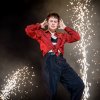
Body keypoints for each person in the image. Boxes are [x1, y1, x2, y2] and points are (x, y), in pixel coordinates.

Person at [25, 12, 84, 100]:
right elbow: (28, 30)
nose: (53, 23)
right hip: (50, 60)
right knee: (50, 92)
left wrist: (65, 27)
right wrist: (40, 25)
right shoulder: (41, 34)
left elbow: (76, 37)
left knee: (78, 85)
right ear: (47, 23)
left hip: (61, 61)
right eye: (51, 21)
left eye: (55, 22)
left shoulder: (62, 36)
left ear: (58, 24)